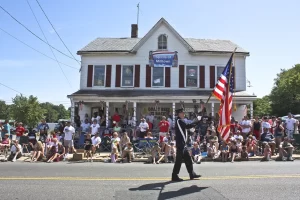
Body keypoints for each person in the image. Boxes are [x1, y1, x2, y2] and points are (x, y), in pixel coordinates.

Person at [172, 108, 201, 181]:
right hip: (180, 144)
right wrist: (197, 120)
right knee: (178, 161)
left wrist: (194, 125)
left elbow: (187, 129)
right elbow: (188, 126)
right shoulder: (179, 121)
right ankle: (174, 175)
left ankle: (192, 174)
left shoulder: (181, 121)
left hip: (183, 144)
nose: (183, 114)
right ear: (178, 114)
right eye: (182, 113)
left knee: (188, 159)